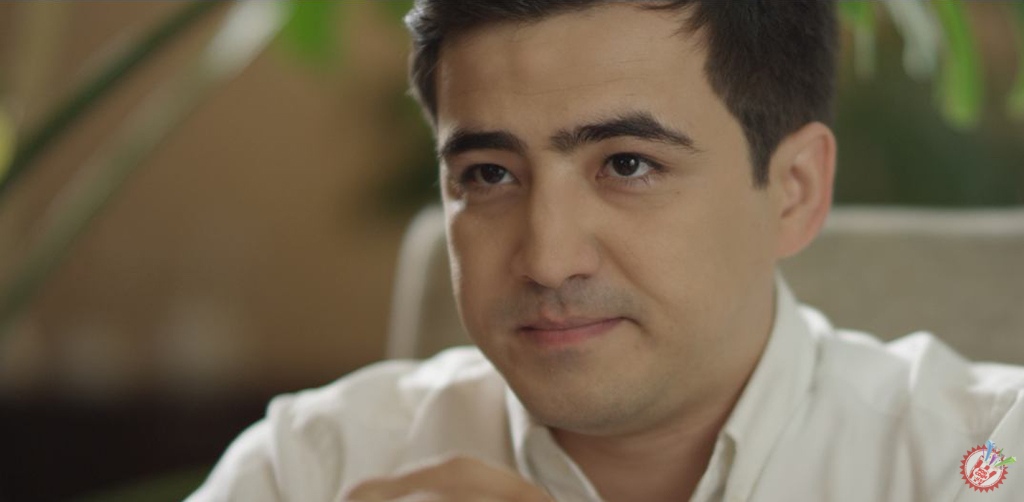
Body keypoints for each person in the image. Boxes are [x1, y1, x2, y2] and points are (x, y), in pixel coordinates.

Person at [189, 1, 1024, 501]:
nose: (548, 260)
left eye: (627, 165)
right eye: (488, 174)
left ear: (795, 190)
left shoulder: (981, 456)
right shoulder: (314, 466)